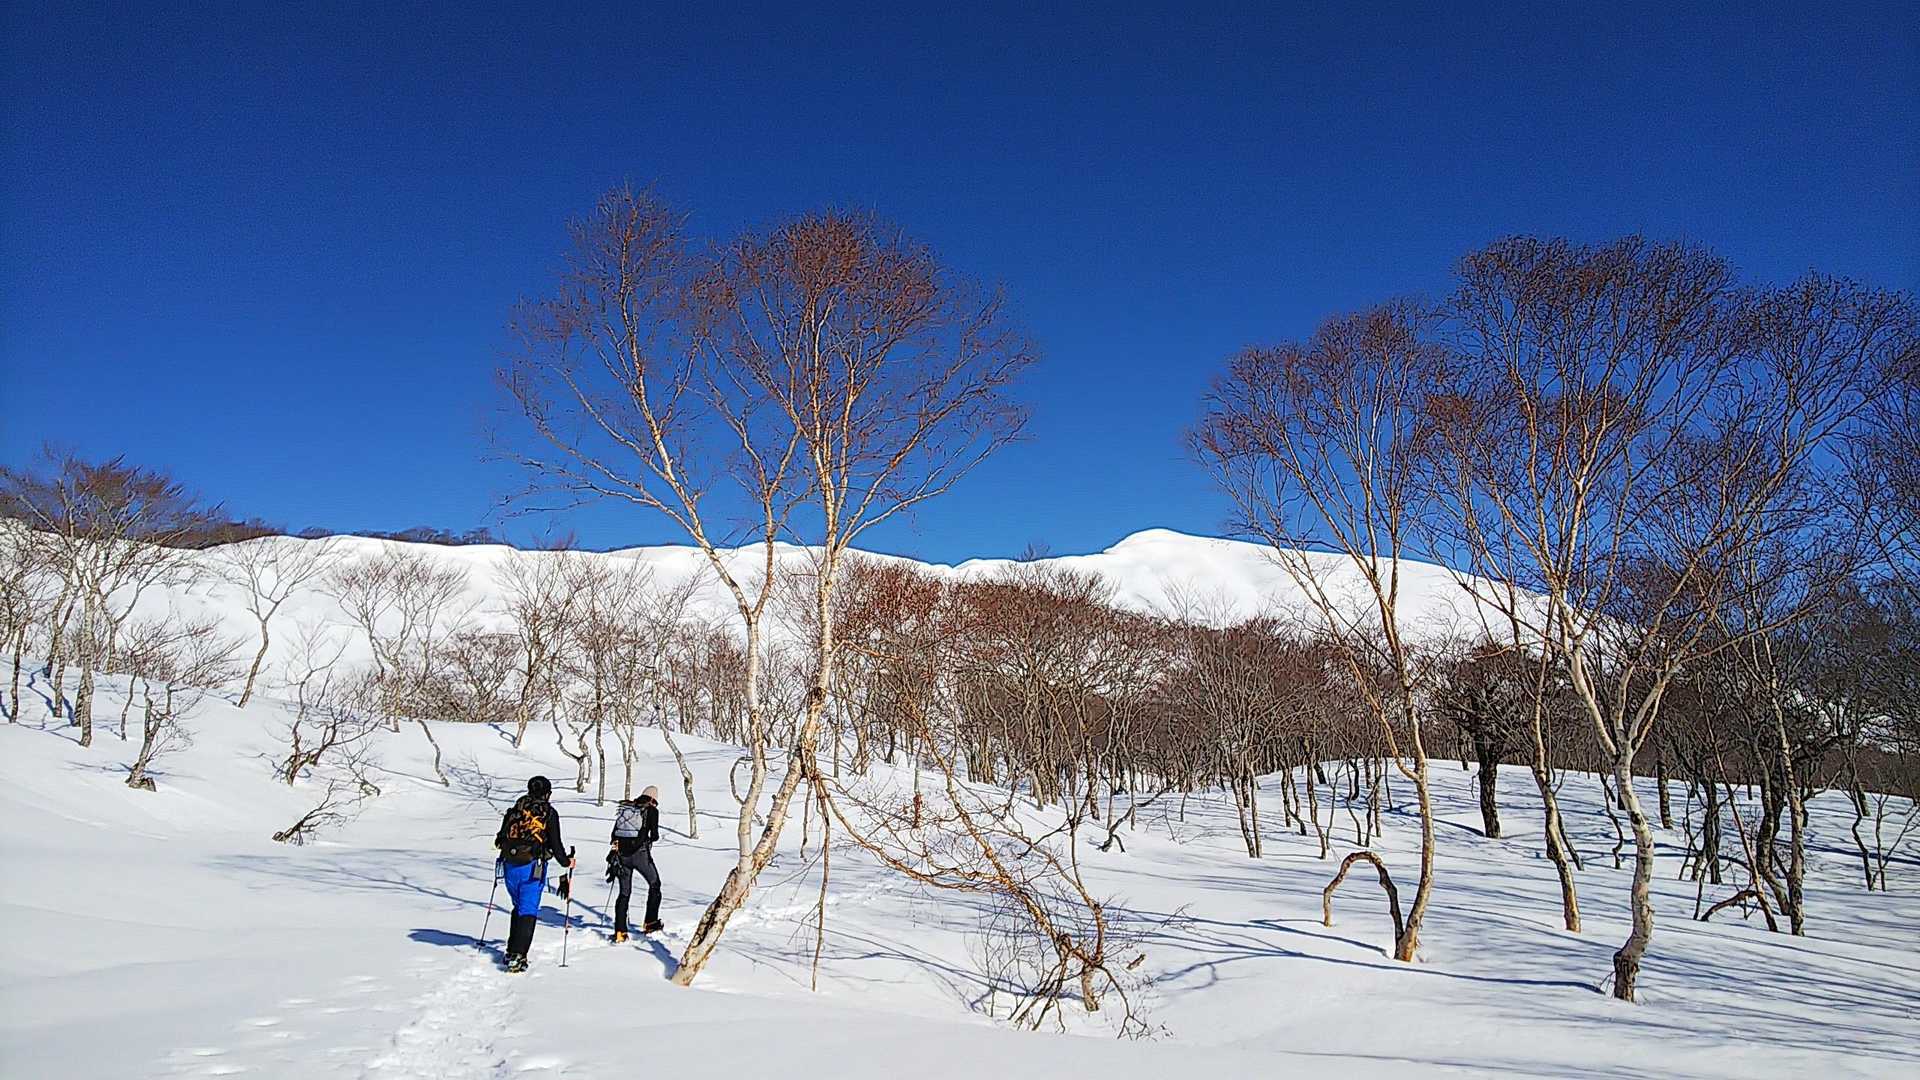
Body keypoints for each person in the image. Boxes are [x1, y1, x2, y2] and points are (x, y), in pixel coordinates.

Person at [494, 775, 573, 972]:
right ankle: (518, 956)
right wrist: (566, 862)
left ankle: (511, 950)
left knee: (518, 907)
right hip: (532, 866)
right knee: (528, 909)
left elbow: (500, 838)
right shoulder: (549, 813)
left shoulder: (517, 808)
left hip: (510, 863)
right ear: (547, 793)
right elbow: (556, 844)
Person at [607, 785, 663, 942]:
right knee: (655, 884)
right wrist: (646, 839)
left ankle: (620, 931)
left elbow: (614, 834)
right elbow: (655, 835)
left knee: (624, 893)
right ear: (654, 798)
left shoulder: (628, 808)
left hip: (622, 856)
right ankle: (650, 923)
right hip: (640, 856)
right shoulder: (651, 810)